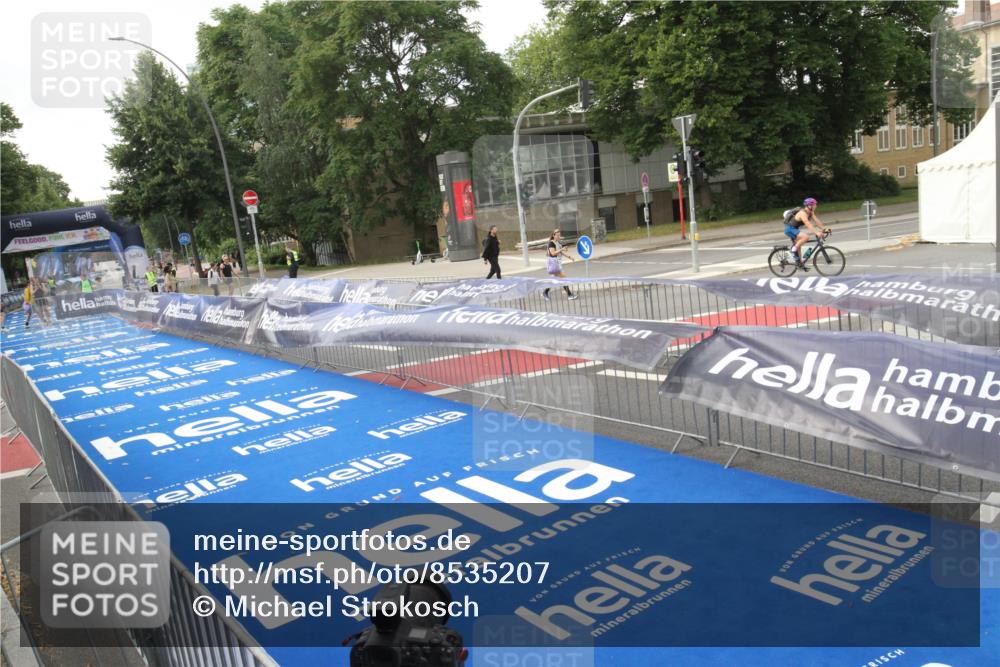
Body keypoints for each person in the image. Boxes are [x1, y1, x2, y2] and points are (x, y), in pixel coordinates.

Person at [785, 197, 830, 268]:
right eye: (814, 205)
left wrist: (824, 229)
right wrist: (816, 233)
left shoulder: (810, 212)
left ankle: (799, 264)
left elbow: (816, 221)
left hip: (795, 229)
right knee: (805, 237)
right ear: (809, 206)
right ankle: (792, 250)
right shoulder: (802, 213)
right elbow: (808, 224)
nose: (816, 206)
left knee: (798, 246)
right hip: (790, 229)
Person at [542, 229, 577, 301]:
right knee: (563, 278)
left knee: (554, 280)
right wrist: (561, 249)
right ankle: (569, 295)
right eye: (557, 235)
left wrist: (570, 257)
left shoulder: (557, 243)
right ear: (553, 235)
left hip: (557, 264)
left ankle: (545, 292)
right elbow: (553, 253)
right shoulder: (551, 243)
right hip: (554, 264)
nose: (558, 236)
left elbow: (561, 252)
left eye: (559, 235)